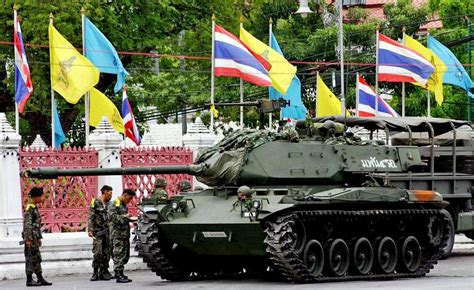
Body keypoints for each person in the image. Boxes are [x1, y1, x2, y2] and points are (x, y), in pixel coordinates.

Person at [23, 187, 52, 287]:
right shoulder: (30, 208)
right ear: (35, 197)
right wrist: (28, 239)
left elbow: (36, 226)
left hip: (34, 238)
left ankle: (40, 278)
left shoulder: (34, 207)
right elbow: (28, 225)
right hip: (30, 239)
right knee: (30, 258)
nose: (41, 198)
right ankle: (29, 280)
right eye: (40, 196)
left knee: (37, 258)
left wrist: (39, 238)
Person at [108, 189, 136, 283]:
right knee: (118, 255)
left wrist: (130, 219)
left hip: (124, 234)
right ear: (125, 195)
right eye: (129, 198)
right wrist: (126, 216)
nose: (130, 201)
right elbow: (112, 218)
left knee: (124, 255)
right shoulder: (114, 204)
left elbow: (123, 217)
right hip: (117, 234)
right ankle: (118, 274)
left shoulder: (123, 204)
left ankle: (121, 273)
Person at [88, 185, 113, 281]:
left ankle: (104, 271)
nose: (111, 196)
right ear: (105, 192)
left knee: (106, 252)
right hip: (98, 231)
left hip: (107, 231)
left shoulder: (110, 204)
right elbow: (91, 216)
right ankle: (95, 272)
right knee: (97, 252)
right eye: (110, 194)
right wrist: (90, 230)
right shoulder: (95, 202)